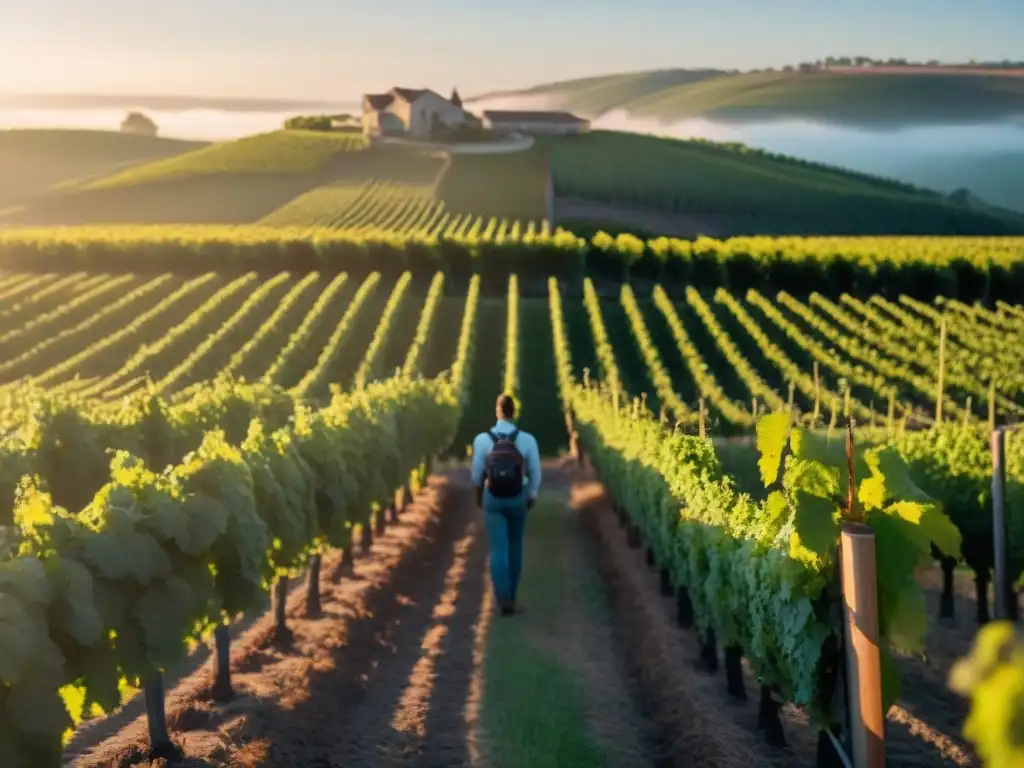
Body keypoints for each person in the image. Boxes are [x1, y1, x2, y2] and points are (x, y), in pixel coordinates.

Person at [470, 393, 542, 616]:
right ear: (514, 412)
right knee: (515, 547)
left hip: (493, 497)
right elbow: (535, 473)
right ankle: (512, 596)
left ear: (497, 411)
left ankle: (501, 599)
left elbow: (476, 476)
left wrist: (479, 497)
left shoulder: (482, 440)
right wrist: (531, 494)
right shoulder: (527, 440)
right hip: (517, 497)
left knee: (498, 549)